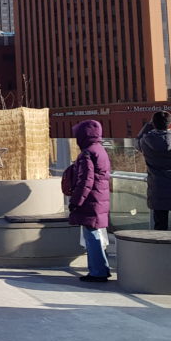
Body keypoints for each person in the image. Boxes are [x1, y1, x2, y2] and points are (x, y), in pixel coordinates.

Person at [67, 120, 113, 282]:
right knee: (95, 233)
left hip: (90, 199)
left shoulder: (87, 153)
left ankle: (98, 271)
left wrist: (76, 201)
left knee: (91, 235)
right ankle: (101, 268)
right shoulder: (100, 150)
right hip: (99, 197)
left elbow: (85, 180)